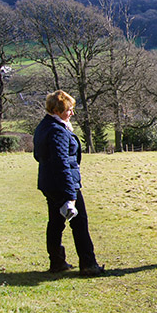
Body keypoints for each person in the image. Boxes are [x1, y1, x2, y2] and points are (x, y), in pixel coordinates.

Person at [33, 90, 104, 276]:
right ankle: (88, 264)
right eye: (69, 109)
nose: (72, 112)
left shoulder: (43, 126)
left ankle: (56, 262)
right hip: (63, 183)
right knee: (79, 223)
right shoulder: (57, 131)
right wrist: (70, 194)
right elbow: (61, 163)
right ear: (57, 110)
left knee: (55, 223)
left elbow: (37, 155)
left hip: (48, 183)